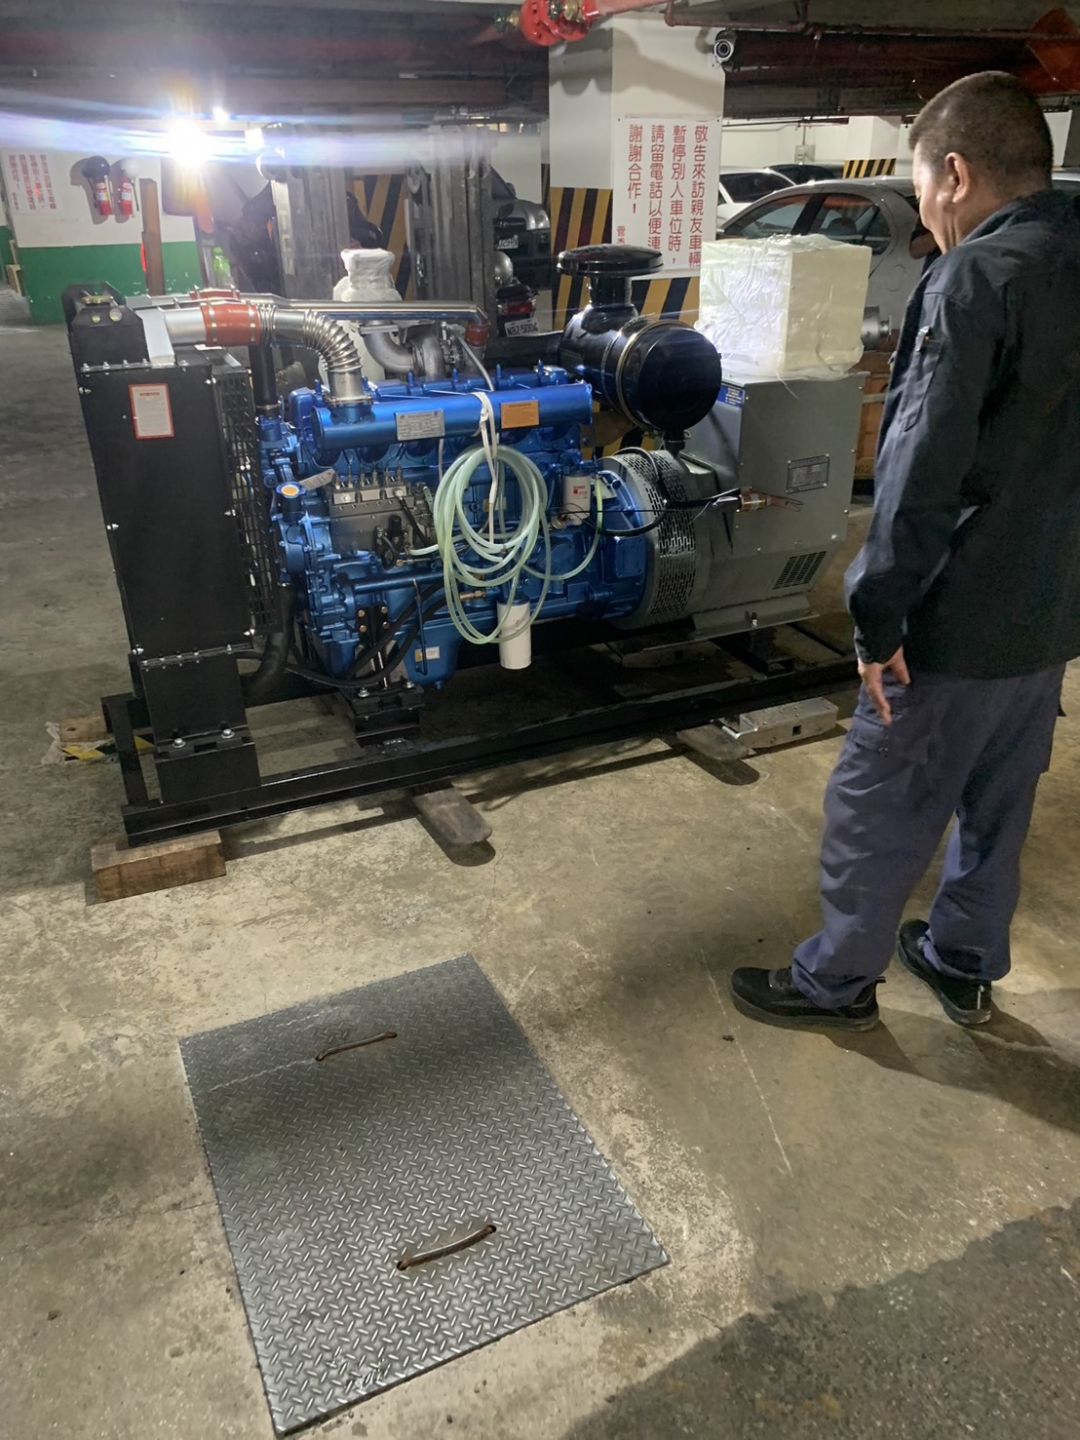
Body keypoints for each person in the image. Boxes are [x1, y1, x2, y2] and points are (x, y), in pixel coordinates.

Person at [730, 71, 1080, 1032]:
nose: (925, 213)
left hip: (954, 616)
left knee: (878, 803)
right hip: (1052, 609)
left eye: (922, 185)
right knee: (1001, 801)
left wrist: (878, 617)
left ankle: (836, 982)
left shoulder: (974, 279)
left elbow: (923, 469)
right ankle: (964, 959)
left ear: (955, 174)